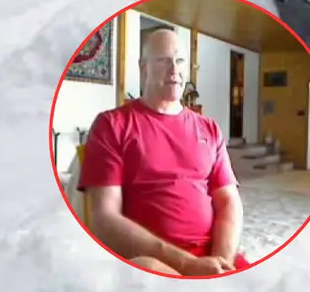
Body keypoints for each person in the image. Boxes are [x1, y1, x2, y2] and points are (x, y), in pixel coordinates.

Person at [77, 27, 249, 276]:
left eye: (179, 61)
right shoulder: (112, 125)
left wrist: (220, 261)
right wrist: (186, 264)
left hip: (210, 256)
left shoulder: (209, 128)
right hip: (154, 260)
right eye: (163, 60)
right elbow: (105, 219)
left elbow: (229, 201)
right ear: (143, 66)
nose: (174, 69)